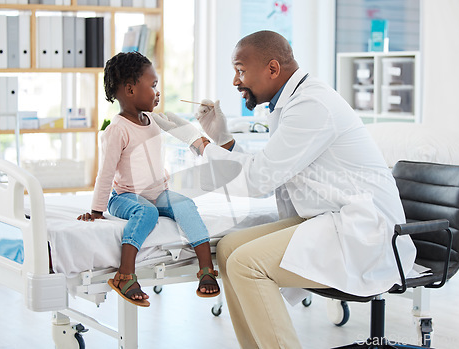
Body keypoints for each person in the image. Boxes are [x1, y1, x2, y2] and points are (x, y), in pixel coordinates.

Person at [153, 30, 417, 347]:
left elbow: (258, 179)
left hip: (364, 229)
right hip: (330, 216)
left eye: (240, 70)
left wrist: (197, 142)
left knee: (246, 264)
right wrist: (223, 141)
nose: (235, 82)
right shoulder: (292, 104)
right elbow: (270, 167)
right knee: (227, 249)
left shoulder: (311, 105)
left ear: (273, 69)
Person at [77, 51, 220, 307]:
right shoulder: (117, 130)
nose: (158, 92)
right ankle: (125, 274)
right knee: (147, 214)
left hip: (157, 192)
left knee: (186, 205)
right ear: (130, 90)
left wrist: (202, 137)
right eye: (153, 85)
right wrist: (97, 210)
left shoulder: (152, 120)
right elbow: (106, 173)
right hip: (125, 197)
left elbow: (181, 130)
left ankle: (206, 269)